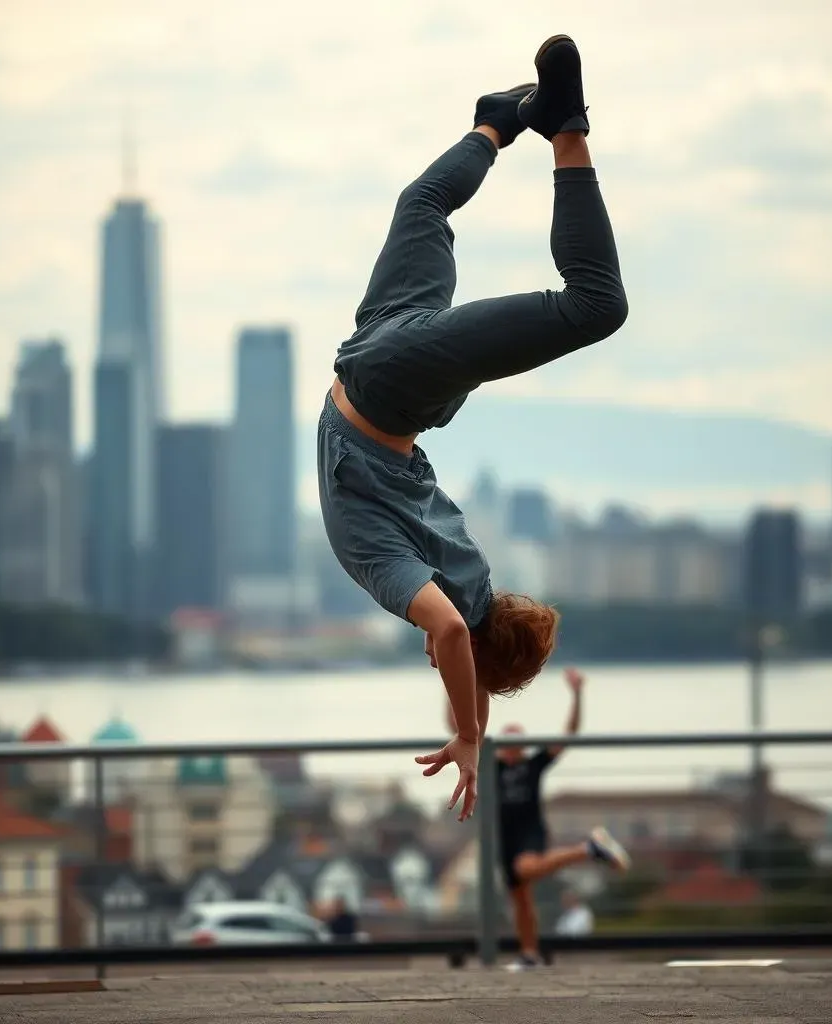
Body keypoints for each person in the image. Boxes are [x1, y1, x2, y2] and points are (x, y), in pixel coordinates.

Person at [318, 34, 628, 822]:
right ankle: (564, 126)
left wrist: (479, 726)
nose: (431, 651)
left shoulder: (470, 583)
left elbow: (468, 641)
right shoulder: (416, 585)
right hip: (387, 382)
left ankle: (493, 126)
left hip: (385, 357)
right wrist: (466, 733)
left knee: (423, 207)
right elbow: (453, 634)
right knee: (595, 305)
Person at [446, 668, 630, 970]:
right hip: (503, 836)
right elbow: (458, 728)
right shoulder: (491, 764)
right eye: (507, 741)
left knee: (525, 868)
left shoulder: (533, 765)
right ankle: (529, 954)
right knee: (520, 896)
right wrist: (450, 684)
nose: (511, 747)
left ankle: (589, 848)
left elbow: (567, 735)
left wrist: (577, 694)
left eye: (516, 742)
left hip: (530, 831)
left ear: (524, 746)